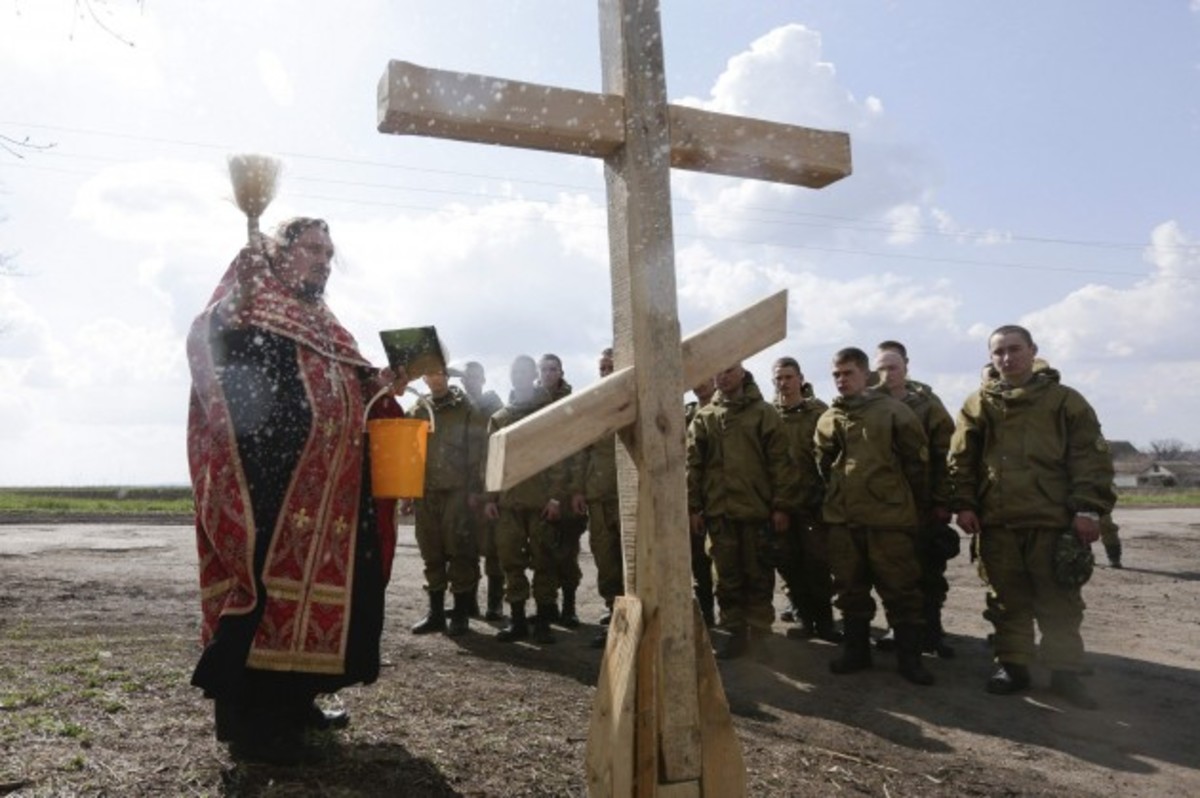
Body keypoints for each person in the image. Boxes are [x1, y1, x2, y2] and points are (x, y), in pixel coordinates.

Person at [186, 217, 407, 764]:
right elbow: (214, 353)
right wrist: (243, 285)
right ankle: (255, 726)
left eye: (330, 252)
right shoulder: (249, 307)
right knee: (265, 599)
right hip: (272, 490)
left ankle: (298, 703)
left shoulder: (327, 324)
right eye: (312, 249)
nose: (324, 260)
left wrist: (384, 386)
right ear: (279, 252)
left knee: (339, 599)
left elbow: (355, 393)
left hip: (332, 498)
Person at [950, 326, 1115, 709]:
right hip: (998, 521)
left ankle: (1065, 673)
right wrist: (964, 504)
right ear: (991, 358)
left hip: (1052, 521)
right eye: (999, 352)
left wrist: (1088, 509)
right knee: (1006, 599)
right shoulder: (978, 404)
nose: (1007, 358)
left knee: (1059, 600)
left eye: (1015, 349)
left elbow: (1090, 458)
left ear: (1033, 351)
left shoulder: (1064, 402)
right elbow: (961, 460)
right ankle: (1013, 665)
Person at [815, 347, 934, 686]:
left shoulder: (893, 412)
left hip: (889, 520)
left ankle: (910, 659)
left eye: (848, 373)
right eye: (836, 374)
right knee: (849, 589)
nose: (841, 380)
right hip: (843, 519)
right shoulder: (829, 418)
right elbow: (821, 466)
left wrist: (915, 508)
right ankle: (856, 652)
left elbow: (917, 464)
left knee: (900, 589)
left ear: (866, 375)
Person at [687, 363, 799, 660]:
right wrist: (694, 507)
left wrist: (781, 506)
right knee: (726, 576)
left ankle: (760, 635)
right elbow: (693, 466)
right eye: (717, 371)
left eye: (728, 370)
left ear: (742, 372)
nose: (721, 376)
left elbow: (781, 463)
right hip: (719, 513)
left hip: (756, 510)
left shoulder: (764, 413)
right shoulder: (705, 417)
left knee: (759, 574)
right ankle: (735, 633)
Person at [872, 347, 959, 659]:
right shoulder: (868, 403)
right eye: (880, 368)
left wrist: (941, 500)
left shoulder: (927, 405)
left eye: (893, 367)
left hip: (921, 503)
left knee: (929, 570)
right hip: (882, 506)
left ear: (906, 367)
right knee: (892, 572)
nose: (887, 374)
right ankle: (900, 628)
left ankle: (933, 633)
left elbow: (944, 455)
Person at [483, 355, 565, 644]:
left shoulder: (549, 413)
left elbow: (559, 457)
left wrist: (556, 498)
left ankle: (543, 622)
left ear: (533, 375)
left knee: (544, 563)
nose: (520, 375)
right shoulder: (500, 418)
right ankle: (517, 621)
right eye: (515, 371)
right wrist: (490, 498)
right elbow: (491, 462)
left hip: (541, 502)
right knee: (511, 562)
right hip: (509, 504)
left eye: (525, 371)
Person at [406, 367, 483, 637]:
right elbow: (410, 452)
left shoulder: (466, 408)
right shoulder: (417, 409)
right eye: (429, 374)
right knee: (431, 551)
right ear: (424, 377)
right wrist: (408, 489)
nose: (435, 378)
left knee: (460, 551)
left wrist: (475, 490)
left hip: (458, 492)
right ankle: (435, 613)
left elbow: (478, 451)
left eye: (439, 373)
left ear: (447, 376)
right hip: (425, 492)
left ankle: (461, 613)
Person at [770, 356, 839, 643]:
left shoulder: (819, 413)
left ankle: (825, 622)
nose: (784, 383)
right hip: (781, 506)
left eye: (789, 376)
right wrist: (777, 505)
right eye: (779, 378)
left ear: (800, 378)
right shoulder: (768, 415)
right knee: (789, 564)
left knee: (818, 564)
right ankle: (804, 619)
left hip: (813, 505)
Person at [574, 349, 626, 649]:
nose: (605, 372)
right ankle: (613, 612)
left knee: (629, 560)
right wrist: (580, 489)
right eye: (602, 367)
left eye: (611, 366)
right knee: (605, 559)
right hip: (597, 496)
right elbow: (582, 451)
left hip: (626, 497)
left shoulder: (634, 399)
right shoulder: (592, 406)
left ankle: (631, 619)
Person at [537, 353, 587, 629]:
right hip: (538, 491)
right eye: (543, 369)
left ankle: (569, 607)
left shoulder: (573, 403)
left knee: (567, 554)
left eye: (553, 369)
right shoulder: (531, 402)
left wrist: (576, 490)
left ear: (561, 372)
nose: (548, 373)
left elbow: (579, 451)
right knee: (542, 553)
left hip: (567, 493)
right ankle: (548, 608)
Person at [458, 361, 506, 619]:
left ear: (484, 379)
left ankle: (495, 603)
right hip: (463, 489)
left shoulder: (495, 408)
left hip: (488, 487)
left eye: (476, 377)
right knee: (467, 549)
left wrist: (490, 493)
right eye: (467, 377)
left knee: (493, 549)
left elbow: (498, 451)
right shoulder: (459, 407)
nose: (471, 381)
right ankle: (469, 602)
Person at [684, 376, 718, 627]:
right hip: (694, 499)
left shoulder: (728, 409)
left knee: (726, 565)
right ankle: (706, 618)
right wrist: (692, 506)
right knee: (699, 563)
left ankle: (735, 622)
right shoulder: (686, 415)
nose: (700, 381)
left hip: (724, 498)